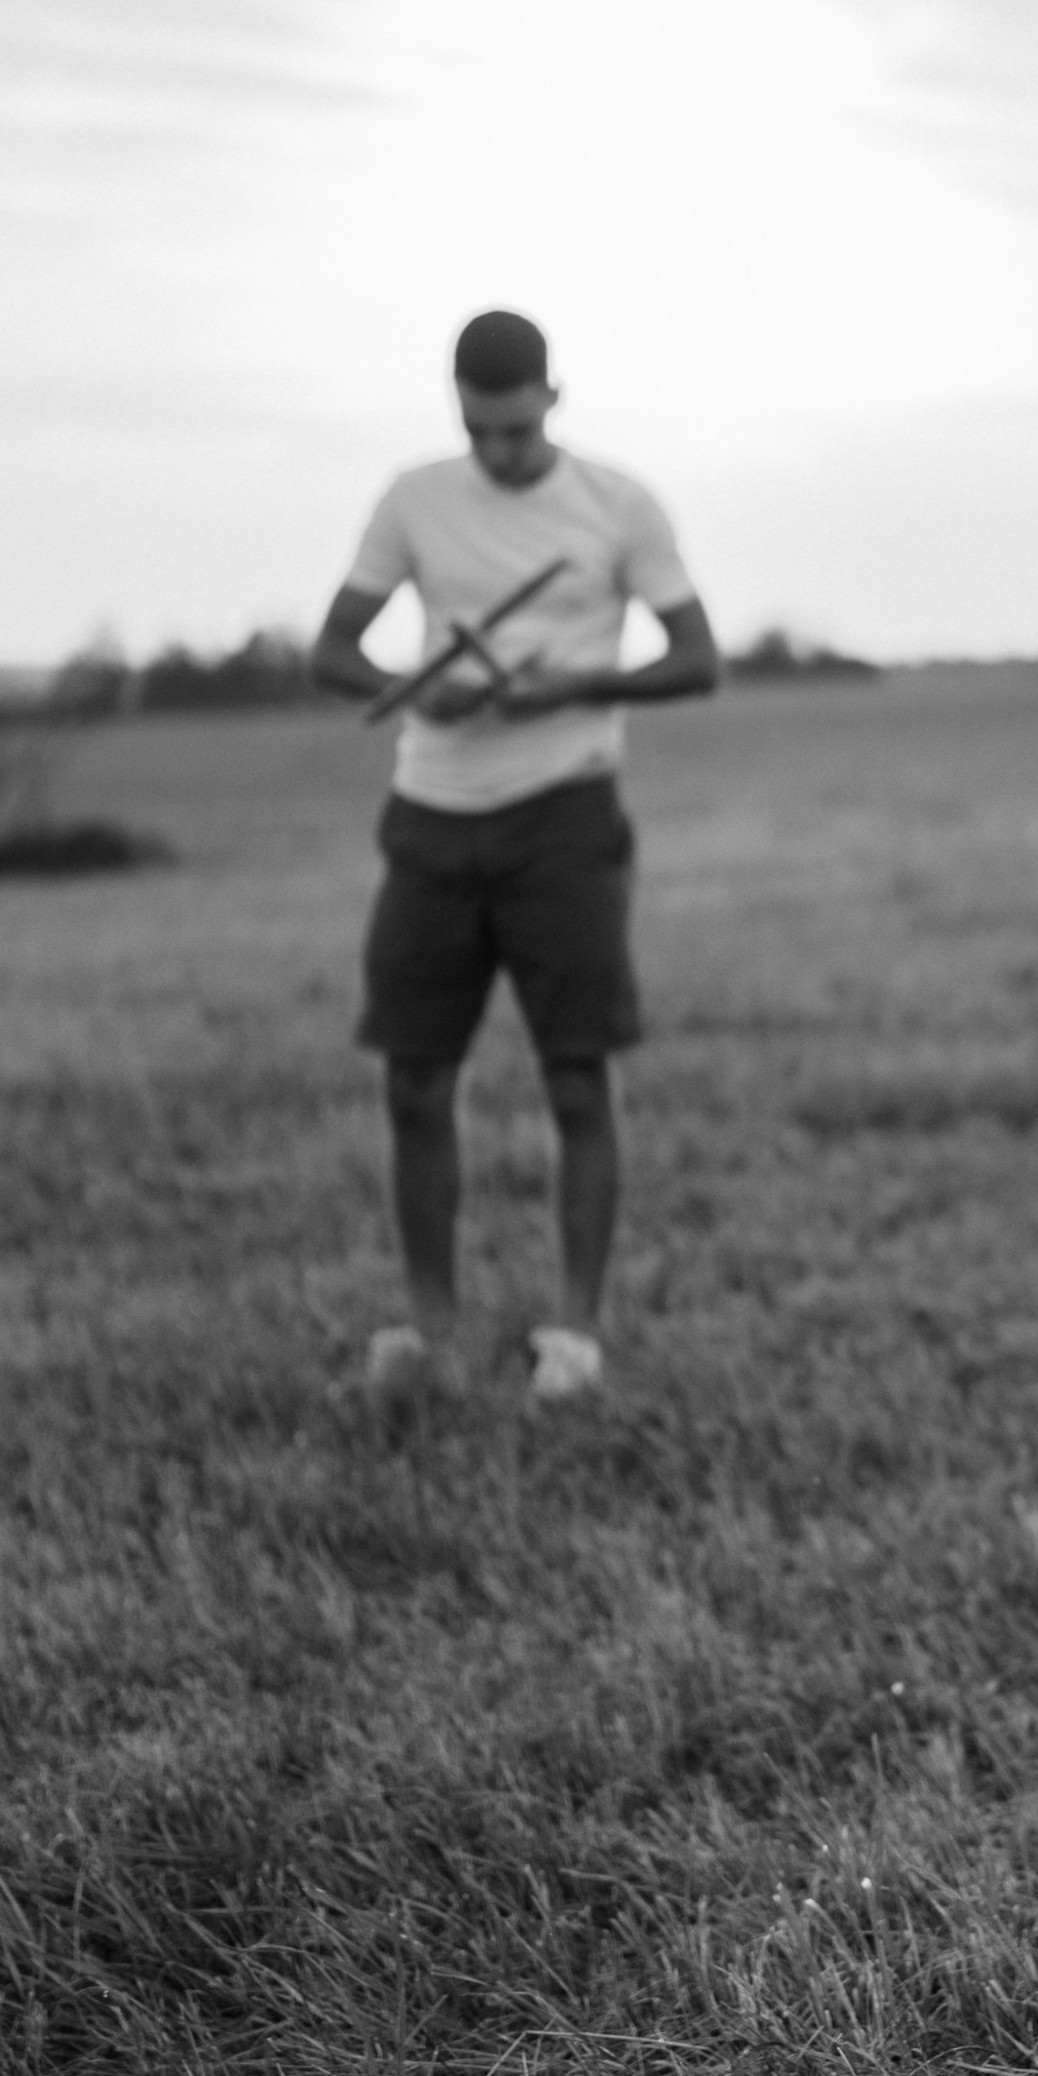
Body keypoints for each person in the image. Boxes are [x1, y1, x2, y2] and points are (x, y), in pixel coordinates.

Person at [311, 310, 719, 1404]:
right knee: (413, 1078)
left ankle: (575, 1340)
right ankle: (430, 1330)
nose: (496, 451)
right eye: (476, 428)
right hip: (432, 815)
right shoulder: (413, 499)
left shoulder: (619, 505)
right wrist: (415, 684)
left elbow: (696, 661)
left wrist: (577, 684)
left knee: (576, 1076)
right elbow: (333, 649)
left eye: (513, 426)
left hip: (566, 817)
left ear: (552, 396)